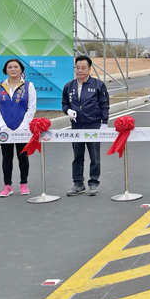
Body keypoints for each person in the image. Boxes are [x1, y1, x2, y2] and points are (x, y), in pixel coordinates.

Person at [62, 55, 110, 196]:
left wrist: (104, 123)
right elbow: (64, 103)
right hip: (76, 127)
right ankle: (78, 183)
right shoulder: (69, 86)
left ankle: (94, 183)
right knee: (77, 156)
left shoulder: (98, 85)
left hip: (93, 125)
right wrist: (68, 111)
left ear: (89, 69)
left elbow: (104, 104)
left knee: (94, 156)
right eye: (78, 68)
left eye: (83, 68)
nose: (80, 71)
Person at [0, 58, 37, 197]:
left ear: (21, 69)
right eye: (10, 67)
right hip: (4, 131)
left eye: (15, 67)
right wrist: (2, 126)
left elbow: (31, 108)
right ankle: (7, 186)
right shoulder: (0, 86)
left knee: (23, 156)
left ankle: (23, 184)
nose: (13, 69)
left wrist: (23, 126)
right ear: (5, 70)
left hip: (22, 130)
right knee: (6, 157)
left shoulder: (28, 86)